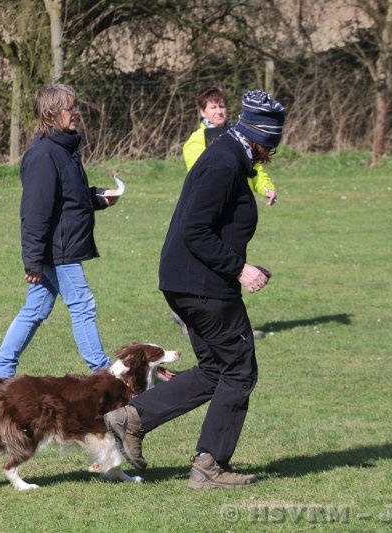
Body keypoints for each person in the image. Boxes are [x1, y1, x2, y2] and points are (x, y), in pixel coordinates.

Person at [106, 90, 286, 489]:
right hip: (204, 286)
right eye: (270, 147)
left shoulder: (227, 154)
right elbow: (195, 229)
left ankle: (133, 417)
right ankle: (210, 465)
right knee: (239, 371)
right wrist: (239, 269)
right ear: (261, 139)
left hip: (187, 282)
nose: (268, 156)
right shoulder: (224, 162)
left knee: (214, 370)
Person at [0, 83, 120, 392]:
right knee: (82, 305)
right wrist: (32, 261)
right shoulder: (43, 155)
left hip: (60, 246)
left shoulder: (64, 150)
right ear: (52, 113)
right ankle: (103, 374)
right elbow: (34, 213)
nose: (76, 112)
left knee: (36, 309)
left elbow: (70, 197)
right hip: (58, 250)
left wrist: (99, 197)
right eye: (71, 108)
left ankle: (0, 373)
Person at [172, 83, 276, 340]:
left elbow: (254, 168)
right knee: (214, 262)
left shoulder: (238, 135)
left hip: (234, 210)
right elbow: (204, 178)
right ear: (202, 112)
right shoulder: (196, 142)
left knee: (230, 261)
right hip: (212, 211)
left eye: (221, 106)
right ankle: (191, 315)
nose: (218, 111)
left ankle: (234, 326)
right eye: (212, 107)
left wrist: (265, 187)